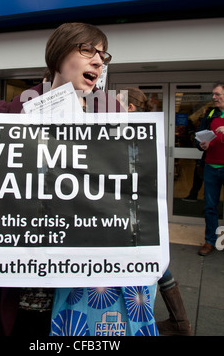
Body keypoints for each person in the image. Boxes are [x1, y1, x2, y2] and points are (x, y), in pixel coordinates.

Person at [0, 22, 123, 336]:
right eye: (88, 50)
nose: (99, 62)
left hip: (89, 275)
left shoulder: (112, 112)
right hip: (29, 273)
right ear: (59, 53)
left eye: (103, 55)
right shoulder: (13, 112)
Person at [118, 87, 192, 336]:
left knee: (150, 263)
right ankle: (179, 322)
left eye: (117, 102)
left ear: (129, 108)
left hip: (130, 208)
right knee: (154, 261)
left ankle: (164, 322)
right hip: (139, 208)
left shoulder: (129, 133)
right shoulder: (144, 133)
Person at [196, 82, 224, 257]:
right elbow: (198, 138)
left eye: (217, 94)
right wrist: (202, 145)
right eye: (213, 94)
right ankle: (210, 241)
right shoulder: (210, 114)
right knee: (210, 207)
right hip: (211, 166)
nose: (214, 97)